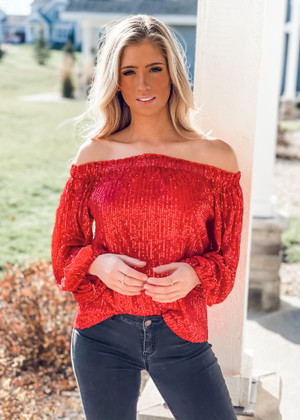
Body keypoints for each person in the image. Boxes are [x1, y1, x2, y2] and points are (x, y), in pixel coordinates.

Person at [51, 14, 244, 420]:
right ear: (116, 81)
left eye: (155, 69)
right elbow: (65, 252)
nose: (143, 84)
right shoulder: (94, 157)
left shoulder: (217, 160)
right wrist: (99, 263)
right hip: (101, 336)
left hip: (181, 334)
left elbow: (226, 260)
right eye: (130, 71)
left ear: (173, 73)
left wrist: (194, 272)